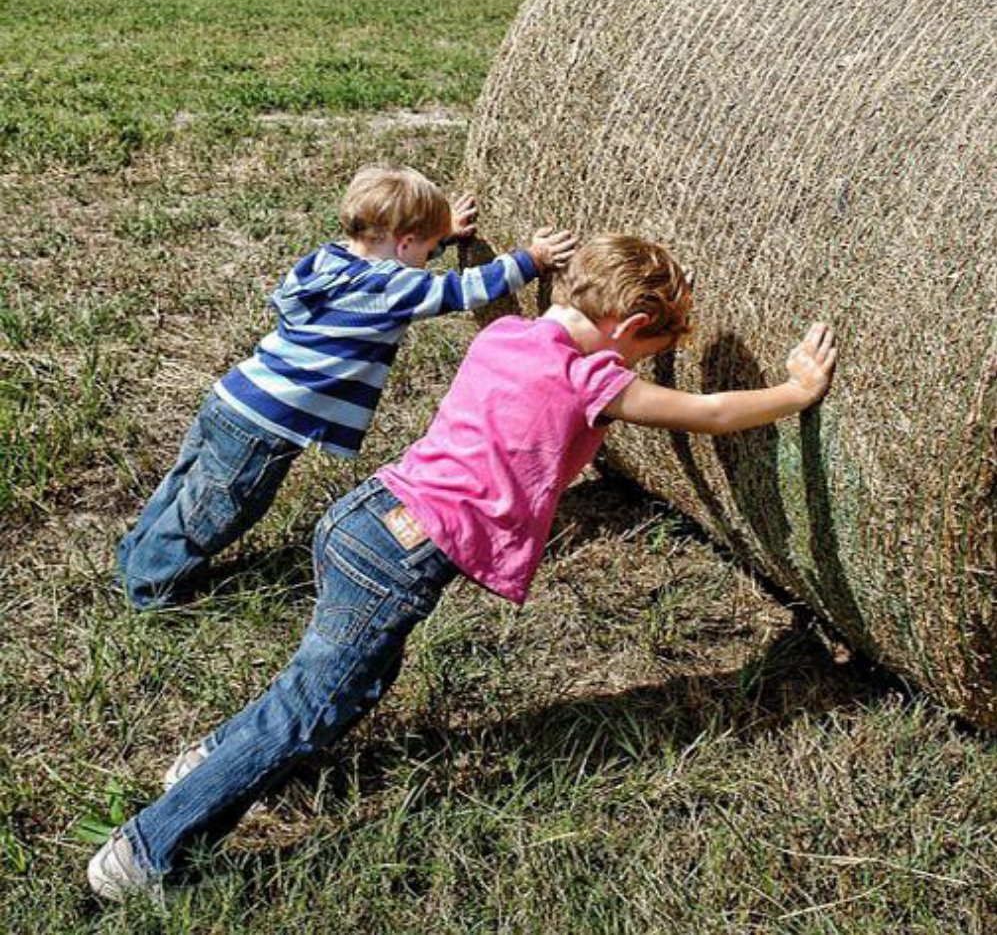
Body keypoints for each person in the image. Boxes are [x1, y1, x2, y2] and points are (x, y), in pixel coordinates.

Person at [89, 233, 836, 902]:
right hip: (401, 556)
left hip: (365, 517)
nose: (645, 361)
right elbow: (708, 413)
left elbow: (574, 344)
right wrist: (796, 391)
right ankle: (145, 850)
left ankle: (212, 759)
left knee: (344, 685)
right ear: (631, 325)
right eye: (653, 345)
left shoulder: (506, 334)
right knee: (311, 708)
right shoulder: (591, 382)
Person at [116, 164, 575, 611]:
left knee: (184, 484)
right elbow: (461, 290)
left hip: (235, 396)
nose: (430, 256)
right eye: (427, 246)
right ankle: (152, 588)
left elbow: (396, 266)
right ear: (404, 242)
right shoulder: (393, 288)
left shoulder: (330, 258)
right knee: (218, 507)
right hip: (267, 424)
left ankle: (137, 554)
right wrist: (530, 260)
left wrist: (440, 237)